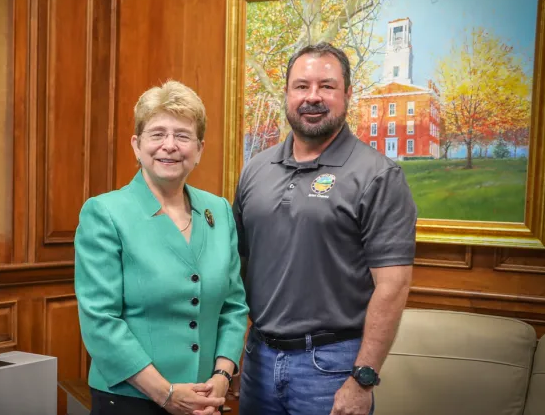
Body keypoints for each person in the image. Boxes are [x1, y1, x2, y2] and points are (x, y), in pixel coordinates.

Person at [232, 42, 417, 415]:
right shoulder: (256, 169)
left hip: (331, 368)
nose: (312, 97)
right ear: (286, 94)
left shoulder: (378, 175)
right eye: (301, 86)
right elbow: (238, 265)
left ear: (347, 94)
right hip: (258, 358)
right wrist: (233, 355)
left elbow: (393, 286)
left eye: (326, 86)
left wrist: (363, 378)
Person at [75, 80, 249, 415]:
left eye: (182, 136)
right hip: (131, 401)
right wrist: (166, 394)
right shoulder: (105, 213)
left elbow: (234, 306)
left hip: (204, 401)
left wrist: (223, 374)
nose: (169, 146)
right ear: (137, 146)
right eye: (157, 134)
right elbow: (100, 320)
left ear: (198, 149)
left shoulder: (219, 212)